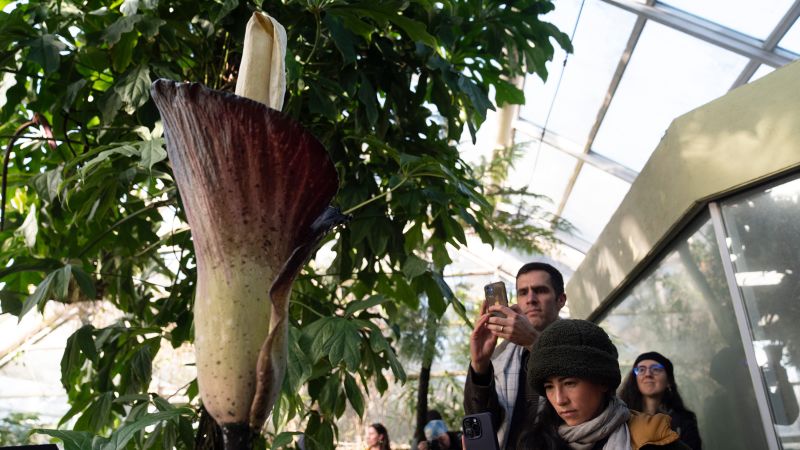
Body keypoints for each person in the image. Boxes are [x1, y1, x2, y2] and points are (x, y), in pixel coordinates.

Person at [523, 319, 690, 450]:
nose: (559, 400)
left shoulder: (653, 440)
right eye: (549, 387)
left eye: (569, 383)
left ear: (602, 381)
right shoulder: (536, 442)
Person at [464, 262, 567, 449]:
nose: (531, 299)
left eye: (540, 290)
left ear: (561, 300)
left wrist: (533, 343)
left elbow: (582, 401)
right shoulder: (501, 353)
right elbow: (482, 421)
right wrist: (479, 367)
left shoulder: (581, 339)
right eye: (523, 292)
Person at [618, 352, 702, 450]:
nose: (648, 374)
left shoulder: (684, 421)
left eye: (655, 369)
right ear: (635, 379)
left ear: (669, 380)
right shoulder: (621, 416)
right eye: (641, 370)